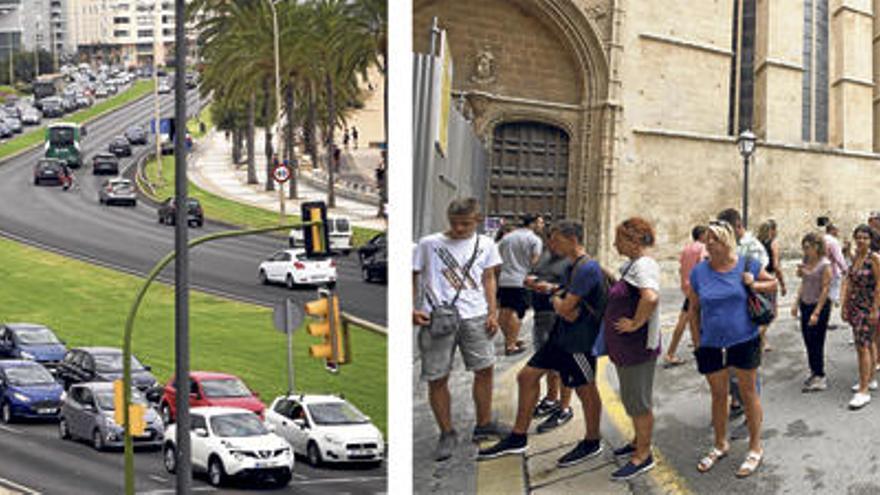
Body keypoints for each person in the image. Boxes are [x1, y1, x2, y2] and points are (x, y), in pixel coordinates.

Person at [478, 220, 606, 469]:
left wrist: (556, 298)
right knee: (526, 377)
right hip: (561, 337)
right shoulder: (573, 265)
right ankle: (518, 436)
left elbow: (567, 308)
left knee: (586, 388)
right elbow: (566, 300)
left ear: (571, 239)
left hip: (579, 341)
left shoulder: (587, 267)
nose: (550, 244)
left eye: (555, 239)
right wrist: (553, 291)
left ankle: (592, 441)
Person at [412, 198, 508, 461]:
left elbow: (488, 278)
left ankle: (484, 424)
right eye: (454, 223)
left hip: (475, 316)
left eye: (465, 224)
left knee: (485, 369)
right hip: (437, 317)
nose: (458, 229)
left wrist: (492, 312)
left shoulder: (486, 245)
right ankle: (446, 432)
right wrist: (411, 307)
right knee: (437, 376)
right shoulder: (429, 243)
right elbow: (412, 273)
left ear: (476, 221)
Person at [687, 220, 776, 478]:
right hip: (711, 342)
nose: (709, 242)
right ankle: (720, 443)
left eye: (714, 238)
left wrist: (753, 284)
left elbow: (772, 284)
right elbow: (693, 309)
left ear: (726, 241)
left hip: (743, 339)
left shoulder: (746, 263)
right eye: (707, 238)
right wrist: (697, 341)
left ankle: (755, 447)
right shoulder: (699, 272)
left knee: (748, 393)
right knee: (718, 395)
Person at [604, 218, 661, 481]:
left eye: (619, 238)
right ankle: (639, 442)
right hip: (627, 349)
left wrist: (635, 323)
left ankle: (643, 455)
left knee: (638, 402)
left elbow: (650, 297)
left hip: (636, 348)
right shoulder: (634, 266)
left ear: (634, 240)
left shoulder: (644, 265)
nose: (615, 243)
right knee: (632, 399)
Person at [523, 224, 574, 433]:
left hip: (559, 317)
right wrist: (531, 282)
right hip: (541, 316)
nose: (552, 244)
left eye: (556, 240)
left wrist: (551, 289)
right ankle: (552, 399)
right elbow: (531, 276)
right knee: (548, 363)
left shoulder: (573, 263)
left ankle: (564, 407)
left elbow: (575, 290)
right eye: (550, 239)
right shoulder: (544, 257)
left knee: (563, 364)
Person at [841, 224, 880, 409]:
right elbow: (850, 281)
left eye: (865, 237)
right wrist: (844, 304)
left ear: (870, 240)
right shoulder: (857, 257)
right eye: (858, 237)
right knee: (868, 344)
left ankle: (863, 390)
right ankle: (869, 379)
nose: (861, 240)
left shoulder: (874, 259)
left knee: (862, 346)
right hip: (856, 306)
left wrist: (874, 309)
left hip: (868, 307)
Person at [496, 214, 544, 356]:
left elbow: (497, 258)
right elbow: (535, 261)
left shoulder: (507, 237)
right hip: (522, 280)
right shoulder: (534, 239)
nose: (542, 225)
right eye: (540, 222)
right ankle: (511, 345)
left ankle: (511, 339)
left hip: (504, 279)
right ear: (533, 223)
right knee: (517, 312)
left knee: (504, 312)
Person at [791, 233, 832, 392]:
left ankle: (820, 375)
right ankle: (814, 371)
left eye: (808, 247)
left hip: (818, 305)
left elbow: (825, 288)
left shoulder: (824, 264)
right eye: (804, 247)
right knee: (807, 339)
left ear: (817, 247)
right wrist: (796, 302)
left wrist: (817, 312)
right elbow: (803, 282)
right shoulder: (806, 261)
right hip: (805, 303)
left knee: (816, 340)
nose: (805, 251)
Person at [664, 225, 707, 366]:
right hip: (697, 288)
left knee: (689, 318)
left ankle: (696, 347)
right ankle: (671, 353)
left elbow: (681, 268)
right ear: (701, 235)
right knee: (686, 319)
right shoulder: (702, 248)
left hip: (687, 287)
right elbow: (702, 266)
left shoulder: (687, 249)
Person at [756, 220, 785, 352]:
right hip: (768, 279)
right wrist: (782, 283)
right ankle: (755, 338)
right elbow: (776, 265)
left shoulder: (756, 243)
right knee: (771, 313)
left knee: (760, 311)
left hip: (756, 278)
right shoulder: (773, 243)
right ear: (772, 230)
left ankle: (763, 342)